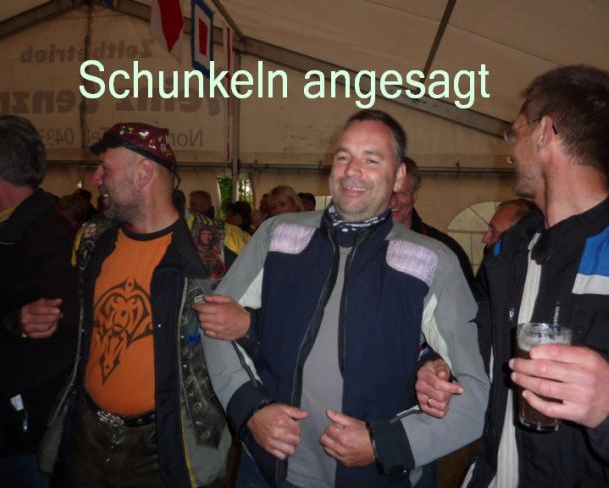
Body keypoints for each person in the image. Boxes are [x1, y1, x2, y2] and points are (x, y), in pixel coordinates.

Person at [198, 109, 489, 487]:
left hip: (377, 479)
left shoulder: (432, 261)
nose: (352, 170)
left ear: (400, 175)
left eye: (371, 159)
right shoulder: (278, 236)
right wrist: (251, 410)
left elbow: (477, 394)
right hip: (268, 471)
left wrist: (385, 444)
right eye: (343, 156)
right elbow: (214, 321)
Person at [416, 65, 609, 486]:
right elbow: (483, 350)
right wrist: (442, 367)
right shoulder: (511, 252)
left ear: (544, 133)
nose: (508, 153)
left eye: (514, 133)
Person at [40, 123, 230, 487]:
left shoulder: (217, 247)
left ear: (143, 174)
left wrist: (246, 325)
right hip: (86, 432)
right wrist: (29, 320)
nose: (96, 179)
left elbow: (258, 340)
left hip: (166, 443)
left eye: (105, 168)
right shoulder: (91, 238)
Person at [0, 114, 78, 487]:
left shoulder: (43, 240)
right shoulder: (18, 230)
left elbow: (52, 340)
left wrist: (12, 324)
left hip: (21, 436)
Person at [391, 156, 475, 289]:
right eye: (387, 193)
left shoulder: (444, 249)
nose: (393, 202)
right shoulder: (360, 245)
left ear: (415, 195)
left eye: (401, 193)